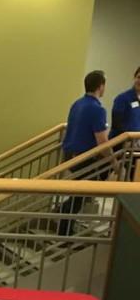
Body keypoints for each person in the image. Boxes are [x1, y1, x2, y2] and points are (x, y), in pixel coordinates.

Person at [58, 70, 110, 235]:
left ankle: (65, 222)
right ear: (100, 87)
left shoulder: (77, 104)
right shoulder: (97, 109)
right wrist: (115, 163)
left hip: (69, 153)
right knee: (81, 193)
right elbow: (102, 142)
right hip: (83, 156)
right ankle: (64, 228)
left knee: (80, 191)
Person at [109, 67, 140, 139]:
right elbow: (117, 124)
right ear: (134, 78)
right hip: (121, 144)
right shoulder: (122, 99)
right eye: (139, 77)